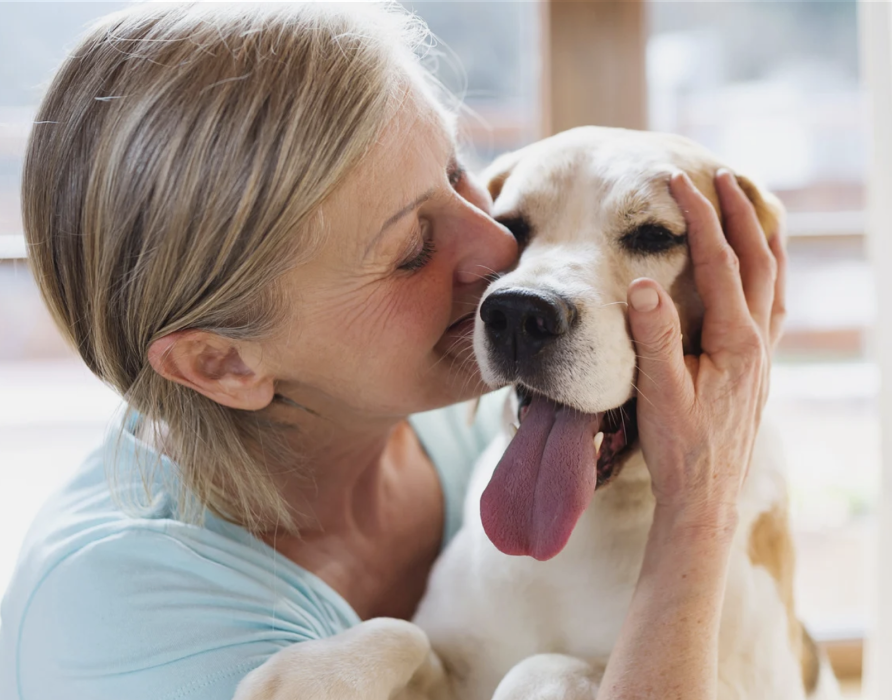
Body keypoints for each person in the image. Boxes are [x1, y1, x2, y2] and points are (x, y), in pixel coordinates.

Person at [0, 3, 785, 700]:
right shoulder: (129, 635)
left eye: (457, 175)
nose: (499, 256)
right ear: (224, 363)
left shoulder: (459, 421)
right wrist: (698, 510)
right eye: (412, 246)